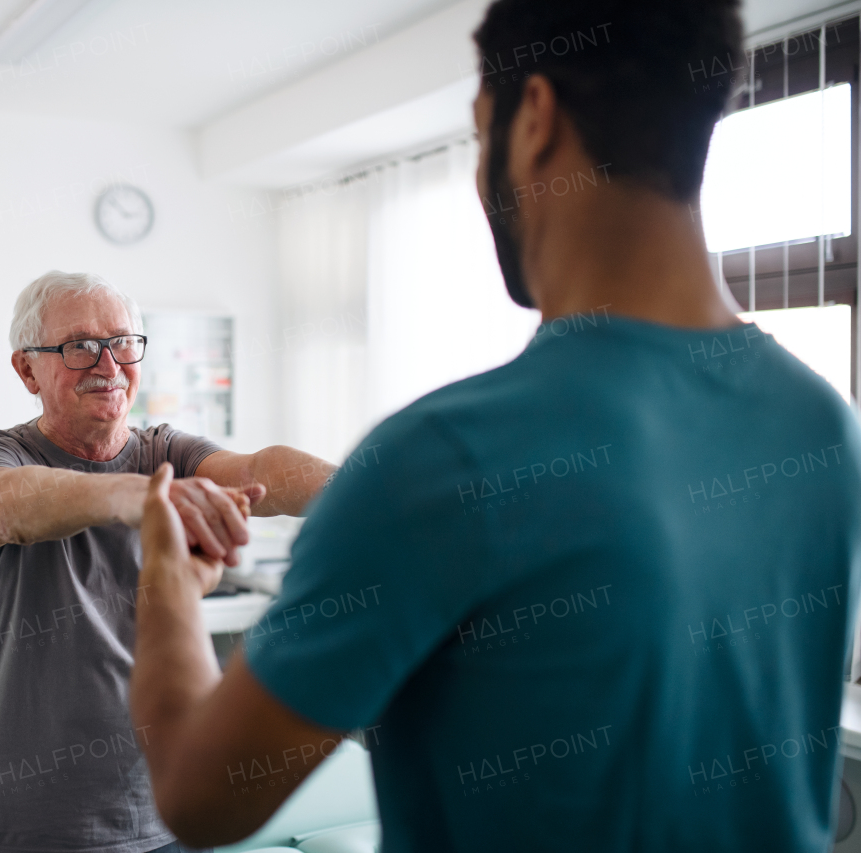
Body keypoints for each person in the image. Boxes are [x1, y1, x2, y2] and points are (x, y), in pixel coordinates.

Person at [129, 1, 861, 850]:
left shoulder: (443, 458)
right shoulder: (825, 428)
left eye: (481, 136)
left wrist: (166, 582)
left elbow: (197, 795)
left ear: (535, 118)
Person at [0, 270, 334, 853]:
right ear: (27, 368)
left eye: (123, 342)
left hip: (159, 815)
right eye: (79, 346)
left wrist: (368, 497)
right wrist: (138, 496)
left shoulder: (166, 451)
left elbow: (259, 474)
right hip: (23, 826)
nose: (108, 364)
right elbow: (4, 506)